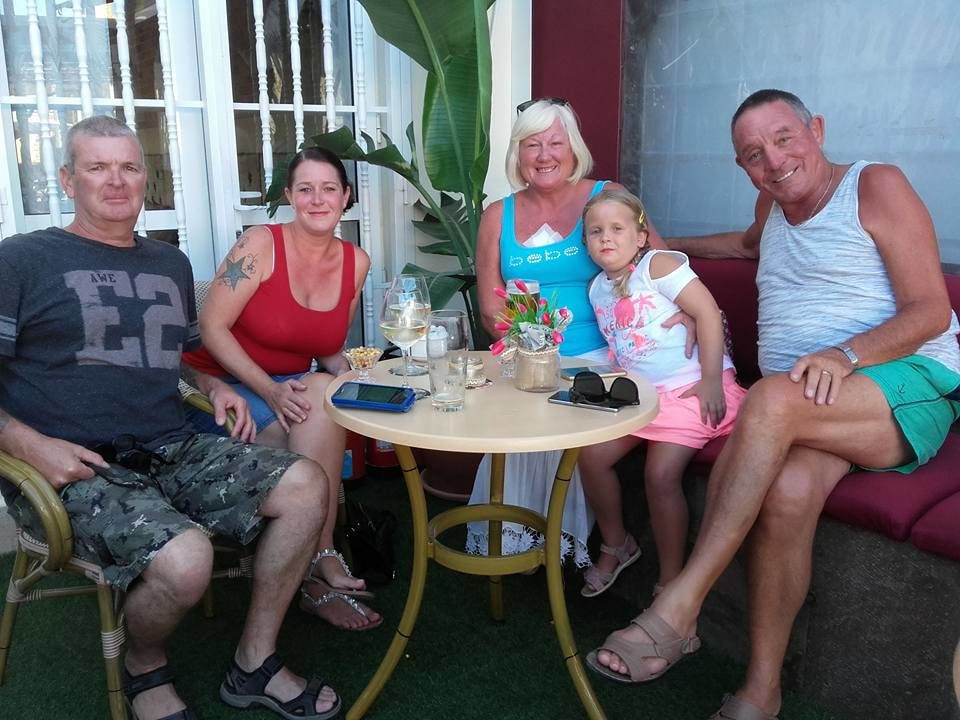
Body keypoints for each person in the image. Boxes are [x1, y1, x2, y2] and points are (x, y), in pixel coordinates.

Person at [587, 90, 960, 720]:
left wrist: (846, 354)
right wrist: (657, 255)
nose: (775, 160)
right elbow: (745, 247)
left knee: (768, 399)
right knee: (787, 492)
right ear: (744, 167)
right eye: (754, 154)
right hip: (814, 403)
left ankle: (679, 605)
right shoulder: (774, 205)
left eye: (785, 138)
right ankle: (761, 692)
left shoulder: (875, 185)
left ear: (817, 130)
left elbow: (931, 311)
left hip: (903, 382)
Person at [0, 115, 341, 720]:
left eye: (129, 167)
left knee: (306, 484)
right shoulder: (20, 260)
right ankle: (145, 663)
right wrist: (29, 445)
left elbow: (168, 354)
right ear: (67, 180)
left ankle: (255, 660)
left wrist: (211, 383)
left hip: (171, 444)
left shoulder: (169, 263)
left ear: (145, 179)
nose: (115, 180)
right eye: (97, 167)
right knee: (187, 561)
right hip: (73, 465)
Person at [469, 98, 673, 566]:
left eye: (555, 143)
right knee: (517, 406)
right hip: (527, 356)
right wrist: (533, 345)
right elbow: (489, 308)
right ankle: (520, 535)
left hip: (604, 355)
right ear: (517, 154)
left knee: (561, 413)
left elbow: (659, 268)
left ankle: (577, 540)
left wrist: (689, 312)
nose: (544, 155)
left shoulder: (606, 195)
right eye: (532, 144)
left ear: (573, 148)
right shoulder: (497, 214)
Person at [183, 148, 380, 631]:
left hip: (286, 392)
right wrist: (268, 391)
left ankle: (315, 557)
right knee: (312, 421)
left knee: (326, 393)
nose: (318, 199)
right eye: (305, 189)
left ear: (346, 197)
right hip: (217, 390)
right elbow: (211, 327)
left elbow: (328, 350)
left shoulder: (356, 262)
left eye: (329, 188)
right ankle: (320, 563)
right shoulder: (260, 244)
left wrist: (361, 378)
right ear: (290, 196)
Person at [577, 187, 747, 600]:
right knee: (591, 456)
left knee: (660, 474)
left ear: (640, 236)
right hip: (644, 398)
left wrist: (711, 379)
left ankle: (671, 581)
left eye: (617, 228)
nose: (606, 237)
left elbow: (707, 312)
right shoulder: (597, 288)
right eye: (595, 231)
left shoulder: (659, 265)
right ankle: (617, 543)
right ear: (586, 242)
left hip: (692, 389)